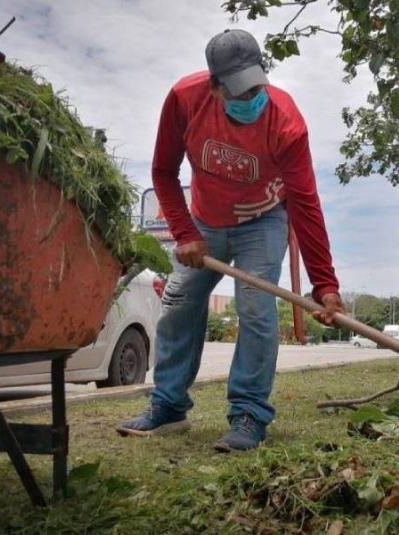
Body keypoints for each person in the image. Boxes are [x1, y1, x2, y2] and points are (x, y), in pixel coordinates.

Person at [116, 29, 345, 452]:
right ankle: (168, 406)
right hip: (204, 221)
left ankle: (249, 414)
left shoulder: (286, 122)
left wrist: (325, 285)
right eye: (237, 93)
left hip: (264, 220)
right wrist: (185, 233)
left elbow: (305, 203)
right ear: (214, 85)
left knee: (256, 307)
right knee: (179, 302)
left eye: (256, 87)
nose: (250, 100)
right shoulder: (185, 99)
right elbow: (164, 172)